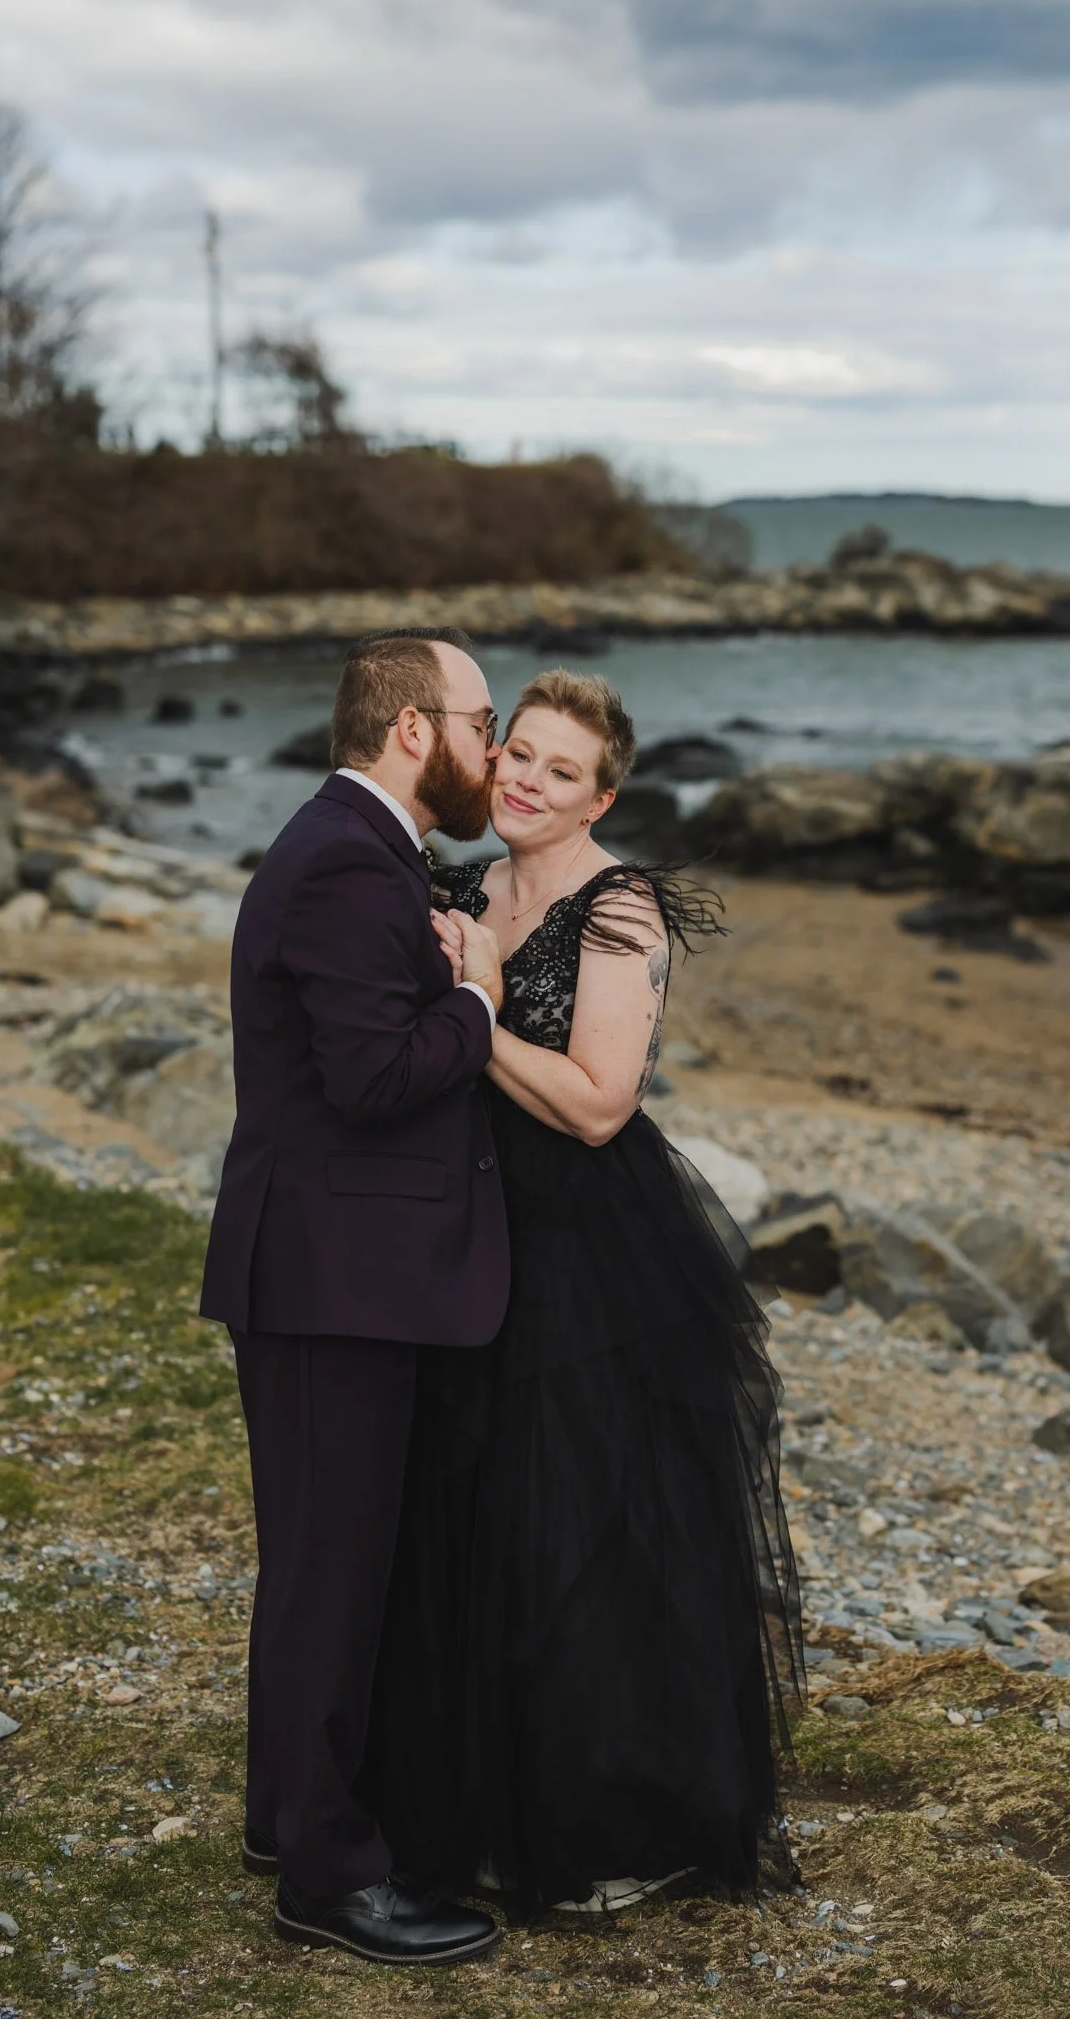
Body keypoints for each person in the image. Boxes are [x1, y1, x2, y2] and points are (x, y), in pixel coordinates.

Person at [370, 667, 804, 1920]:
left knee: (584, 1534)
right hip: (466, 1225)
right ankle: (482, 1809)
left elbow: (605, 1104)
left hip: (587, 1249)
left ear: (598, 795)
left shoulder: (621, 912)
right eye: (519, 755)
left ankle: (610, 1819)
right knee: (467, 1518)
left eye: (563, 772)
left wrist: (480, 1006)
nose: (528, 782)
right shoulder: (461, 888)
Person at [200, 625, 515, 1968]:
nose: (491, 751)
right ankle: (328, 1881)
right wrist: (478, 1000)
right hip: (333, 1279)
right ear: (410, 731)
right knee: (334, 1576)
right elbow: (373, 1077)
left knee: (316, 1565)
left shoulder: (356, 847)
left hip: (330, 1269)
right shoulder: (341, 860)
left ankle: (290, 1814)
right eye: (480, 722)